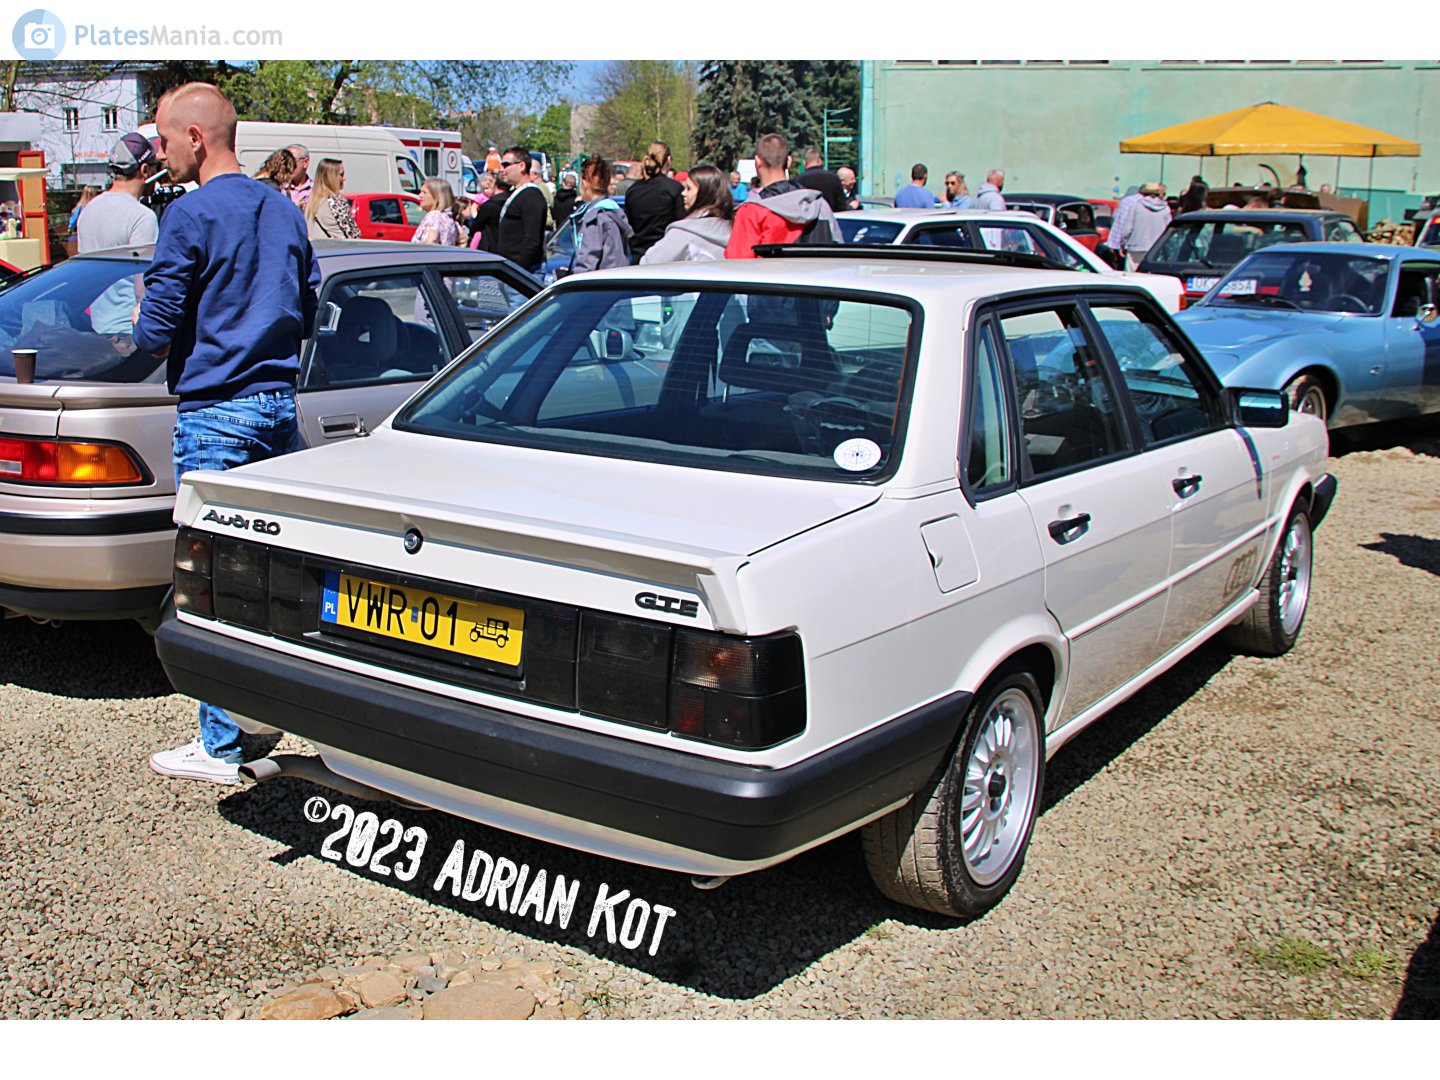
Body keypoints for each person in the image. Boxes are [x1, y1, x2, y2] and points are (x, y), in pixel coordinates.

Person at [132, 82, 319, 785]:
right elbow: (308, 306)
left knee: (211, 582)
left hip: (215, 411)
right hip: (278, 406)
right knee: (275, 578)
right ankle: (281, 713)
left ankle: (224, 744)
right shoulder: (284, 210)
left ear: (195, 137)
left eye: (164, 139)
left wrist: (136, 313)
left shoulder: (189, 214)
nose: (161, 153)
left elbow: (153, 334)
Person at [78, 133, 162, 350]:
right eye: (155, 167)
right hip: (126, 331)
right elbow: (144, 286)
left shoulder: (88, 210)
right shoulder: (141, 216)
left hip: (95, 328)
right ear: (145, 170)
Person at [725, 132, 838, 258]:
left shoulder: (751, 211)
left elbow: (738, 262)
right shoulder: (820, 205)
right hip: (817, 270)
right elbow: (838, 249)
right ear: (789, 162)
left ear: (757, 162)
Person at [640, 164, 734, 264]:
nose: (683, 193)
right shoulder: (733, 229)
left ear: (704, 192)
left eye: (688, 188)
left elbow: (648, 263)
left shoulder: (684, 232)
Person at [623, 142, 686, 263]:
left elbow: (629, 226)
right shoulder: (675, 189)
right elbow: (680, 226)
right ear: (668, 160)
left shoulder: (633, 191)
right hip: (666, 257)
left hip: (638, 257)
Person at [569, 157, 633, 273]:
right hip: (617, 278)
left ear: (585, 182)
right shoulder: (614, 212)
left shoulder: (595, 217)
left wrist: (574, 278)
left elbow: (587, 264)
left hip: (599, 282)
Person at [492, 147, 547, 270]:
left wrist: (518, 269)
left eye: (506, 165)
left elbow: (532, 240)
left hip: (525, 271)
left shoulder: (531, 196)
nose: (502, 169)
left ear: (522, 166)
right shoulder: (517, 194)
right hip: (510, 268)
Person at [1109, 181, 1171, 271]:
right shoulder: (1165, 209)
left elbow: (1127, 229)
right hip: (1156, 249)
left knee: (1132, 275)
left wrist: (1124, 244)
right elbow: (1168, 231)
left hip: (1136, 247)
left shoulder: (1136, 206)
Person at [304, 158, 361, 240]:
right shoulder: (331, 202)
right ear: (331, 177)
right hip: (334, 247)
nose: (344, 178)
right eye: (341, 174)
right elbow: (345, 237)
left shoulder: (313, 201)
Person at [796, 148, 849, 214]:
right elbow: (841, 205)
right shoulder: (833, 177)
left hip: (808, 218)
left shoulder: (799, 179)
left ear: (804, 162)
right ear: (820, 161)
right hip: (830, 217)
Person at [411, 178, 461, 245]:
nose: (420, 195)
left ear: (437, 196)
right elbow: (463, 239)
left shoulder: (433, 216)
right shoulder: (448, 218)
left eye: (424, 192)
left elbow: (431, 241)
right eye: (420, 192)